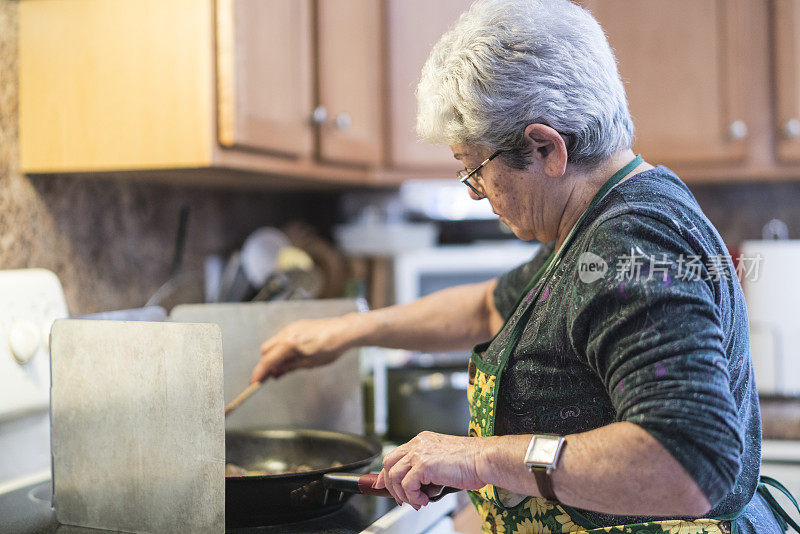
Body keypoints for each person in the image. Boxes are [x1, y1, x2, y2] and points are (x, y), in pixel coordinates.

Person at [250, 1, 798, 532]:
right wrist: (347, 332)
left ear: (545, 148)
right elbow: (489, 307)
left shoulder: (630, 241)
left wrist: (479, 459)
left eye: (474, 167)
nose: (472, 192)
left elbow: (689, 460)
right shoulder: (595, 222)